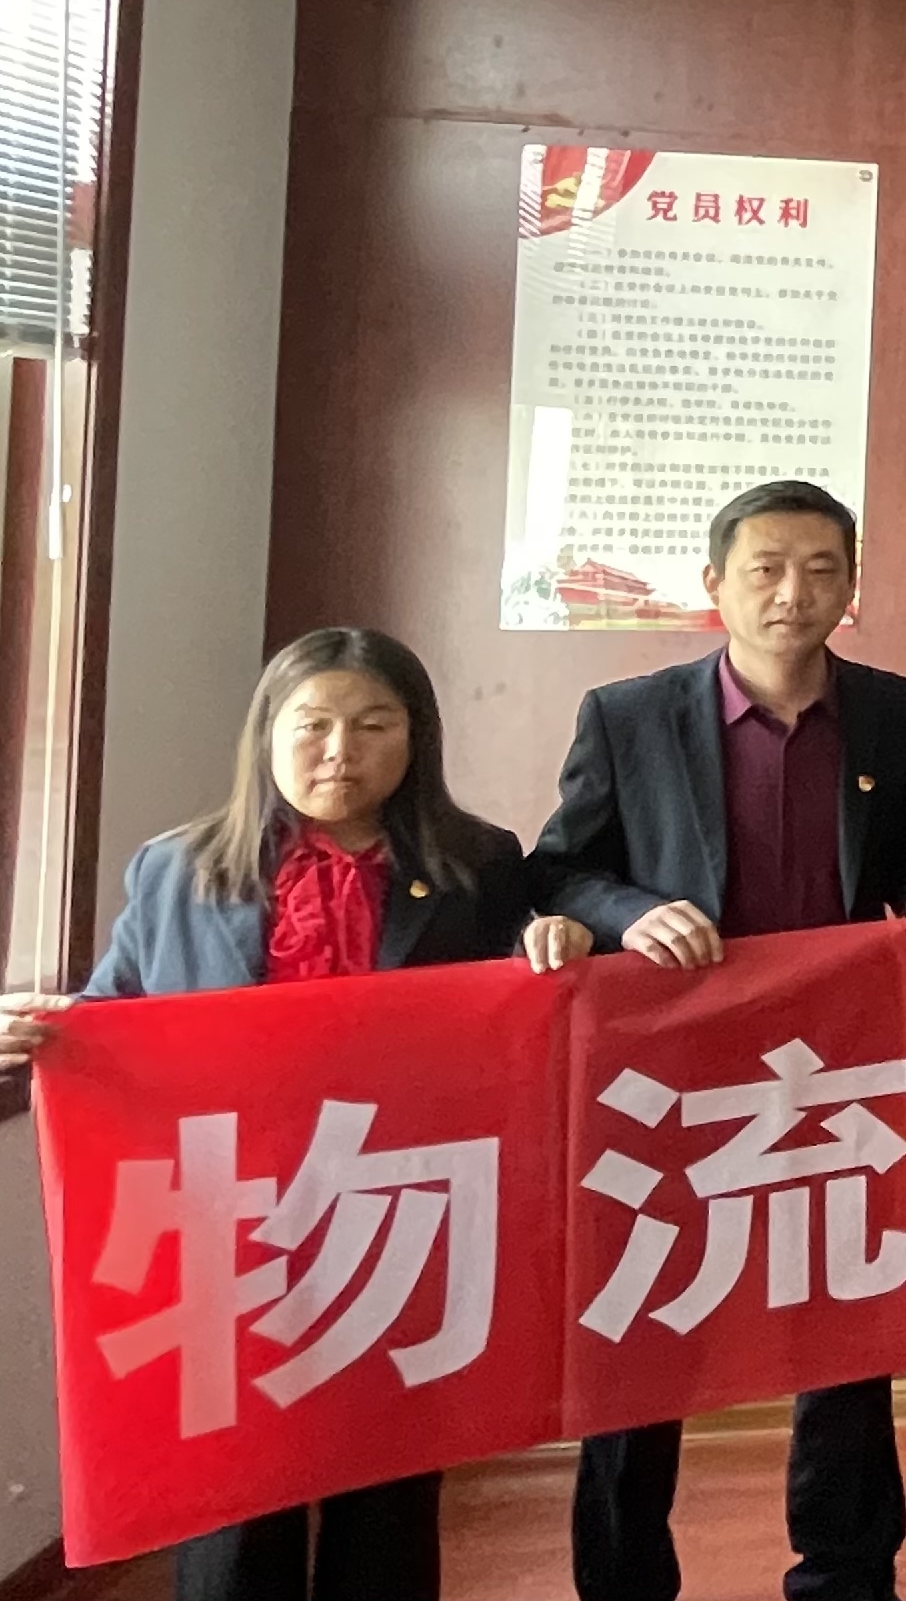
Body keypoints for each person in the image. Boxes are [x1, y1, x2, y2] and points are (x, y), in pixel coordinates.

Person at [0, 629, 589, 1601]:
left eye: (374, 725)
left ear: (417, 738)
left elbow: (520, 1021)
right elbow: (117, 1015)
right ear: (267, 734)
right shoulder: (177, 867)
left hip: (394, 1216)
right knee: (235, 1503)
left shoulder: (479, 864)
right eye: (312, 725)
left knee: (386, 1489)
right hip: (232, 1229)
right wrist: (42, 1035)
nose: (340, 752)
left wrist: (551, 942)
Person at [533, 481, 906, 1601]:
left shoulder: (899, 712)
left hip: (838, 1068)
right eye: (766, 569)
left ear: (851, 587)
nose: (793, 593)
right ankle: (624, 1580)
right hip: (672, 1076)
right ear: (715, 584)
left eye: (822, 570)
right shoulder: (629, 717)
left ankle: (844, 1570)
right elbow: (560, 872)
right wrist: (634, 914)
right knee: (644, 1329)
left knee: (846, 1329)